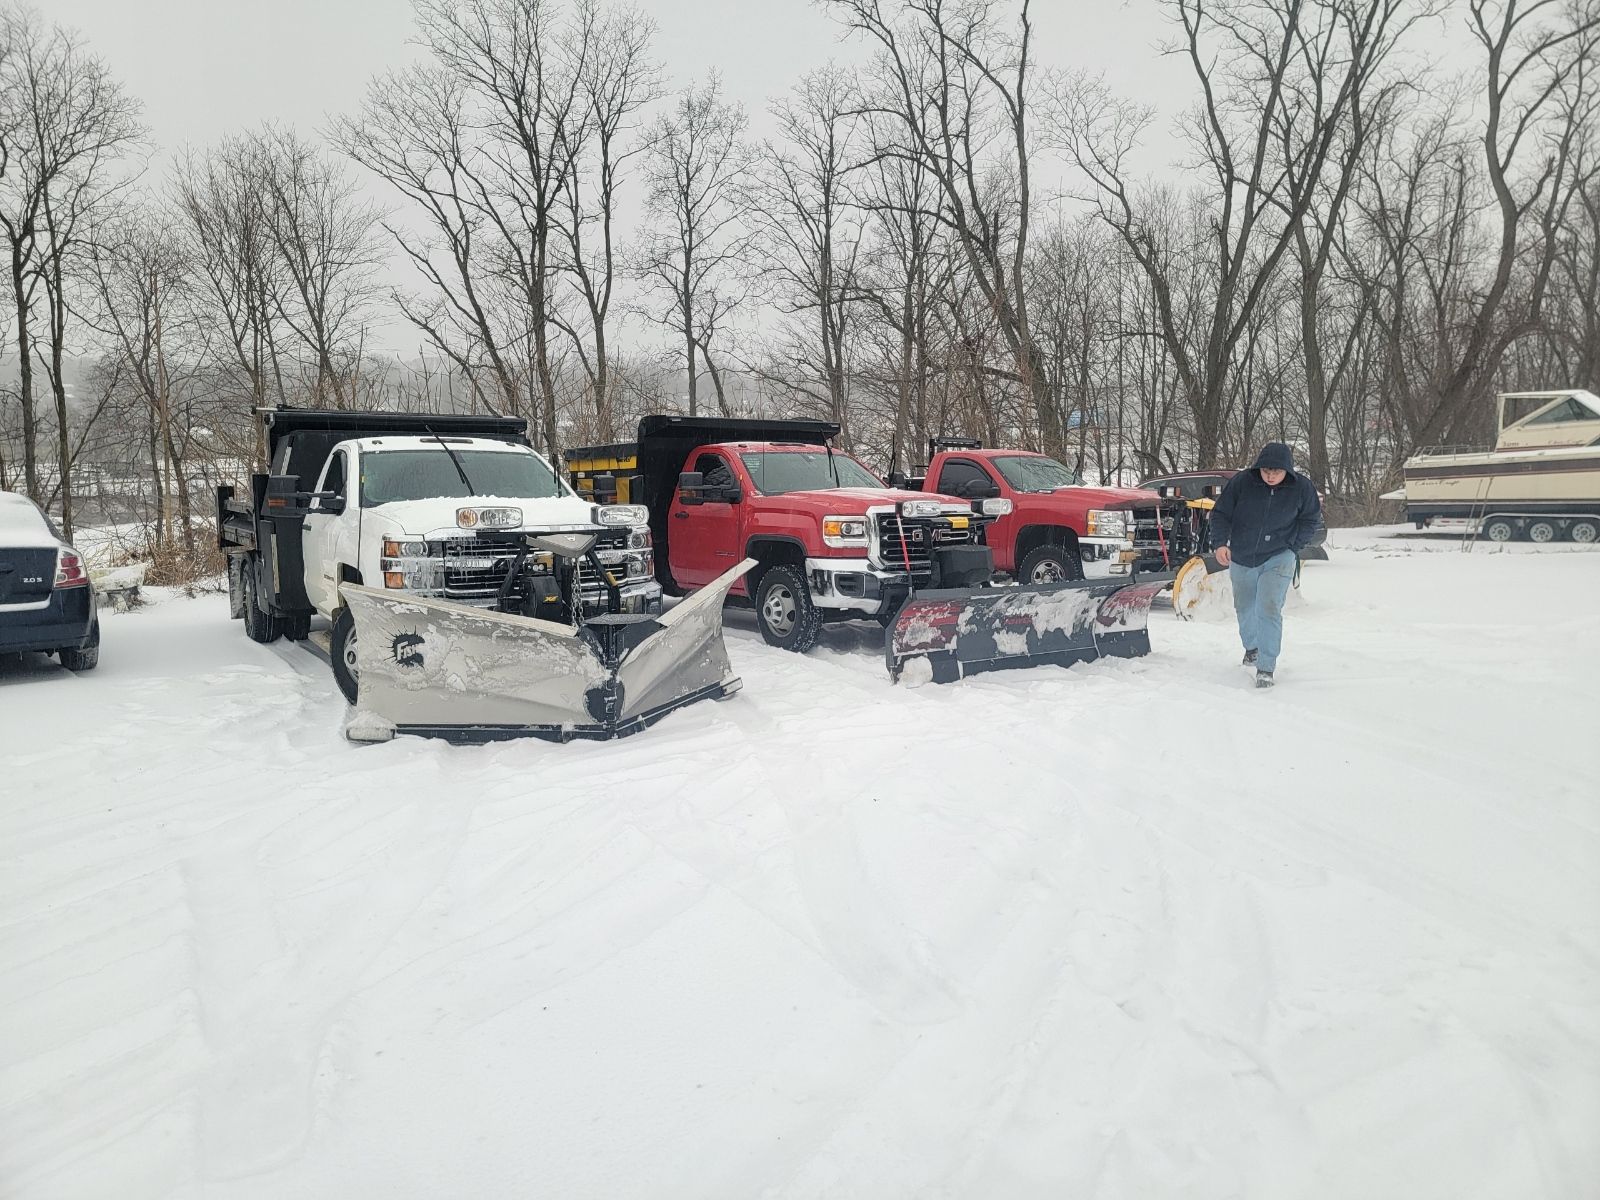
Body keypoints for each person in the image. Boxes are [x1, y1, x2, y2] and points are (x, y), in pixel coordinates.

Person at [1208, 442, 1322, 688]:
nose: (1271, 476)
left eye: (1277, 472)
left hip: (1279, 556)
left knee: (1269, 608)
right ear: (1258, 468)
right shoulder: (1242, 483)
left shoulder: (1302, 488)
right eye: (1266, 471)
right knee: (1244, 607)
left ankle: (1266, 667)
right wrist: (1219, 543)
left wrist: (1293, 546)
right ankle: (1252, 648)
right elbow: (1220, 514)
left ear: (1287, 471)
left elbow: (1311, 519)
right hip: (1241, 555)